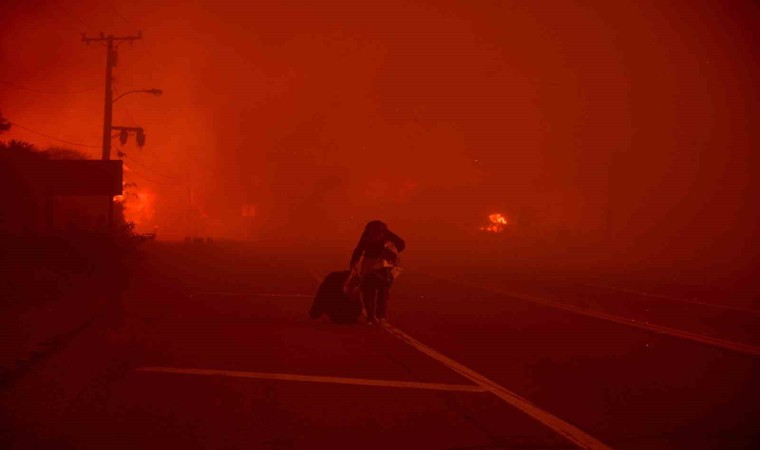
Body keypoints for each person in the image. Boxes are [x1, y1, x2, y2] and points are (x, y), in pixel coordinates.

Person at [349, 220, 405, 325]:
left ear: (382, 233)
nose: (374, 238)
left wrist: (391, 250)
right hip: (368, 265)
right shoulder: (366, 235)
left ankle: (381, 316)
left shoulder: (388, 235)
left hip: (384, 266)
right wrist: (354, 261)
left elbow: (401, 244)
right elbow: (359, 249)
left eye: (377, 235)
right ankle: (370, 316)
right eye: (372, 235)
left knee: (383, 291)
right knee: (367, 290)